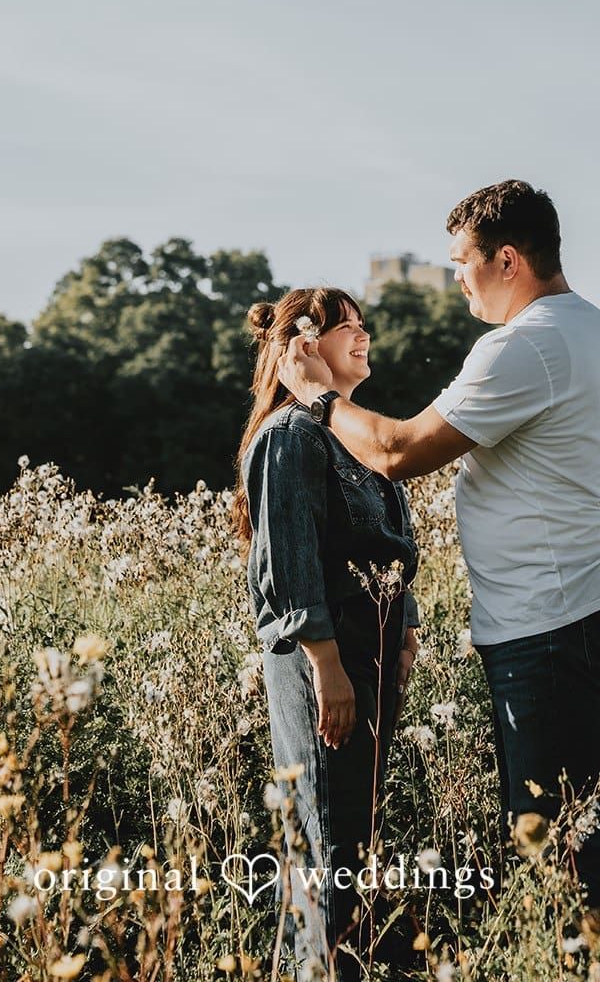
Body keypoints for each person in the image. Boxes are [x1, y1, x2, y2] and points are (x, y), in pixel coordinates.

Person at [279, 181, 600, 917]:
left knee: (552, 828)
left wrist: (318, 398)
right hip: (578, 599)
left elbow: (396, 449)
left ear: (506, 259)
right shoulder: (592, 330)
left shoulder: (530, 343)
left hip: (554, 612)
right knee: (561, 814)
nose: (454, 276)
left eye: (461, 261)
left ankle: (581, 962)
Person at [233, 287, 420, 980]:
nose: (364, 337)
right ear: (307, 347)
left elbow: (394, 542)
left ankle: (329, 965)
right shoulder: (289, 437)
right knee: (328, 832)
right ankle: (324, 967)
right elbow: (289, 560)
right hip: (327, 656)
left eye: (364, 325)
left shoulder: (353, 432)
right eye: (349, 329)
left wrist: (407, 628)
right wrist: (326, 664)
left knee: (354, 829)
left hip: (368, 650)